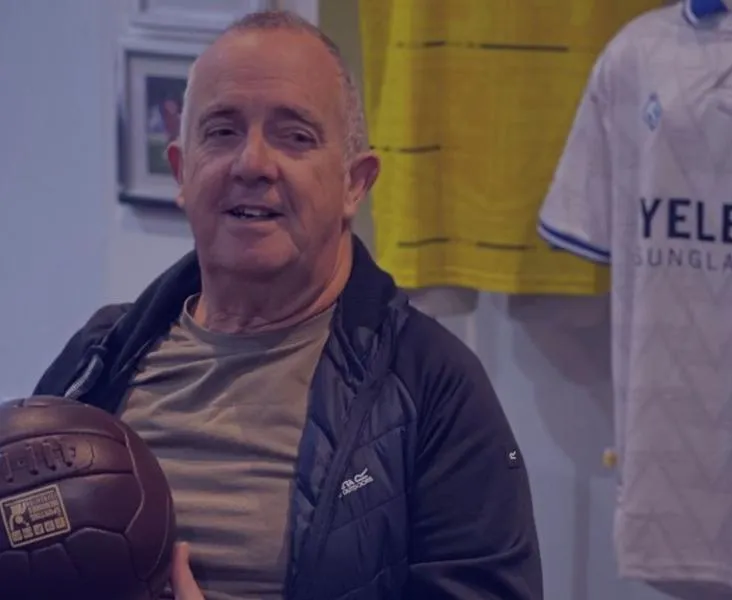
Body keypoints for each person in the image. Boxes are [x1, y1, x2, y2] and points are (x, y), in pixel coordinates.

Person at [32, 10, 543, 600]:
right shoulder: (100, 356)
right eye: (222, 132)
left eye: (295, 136)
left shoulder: (434, 387)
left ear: (356, 182)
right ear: (181, 170)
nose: (253, 163)